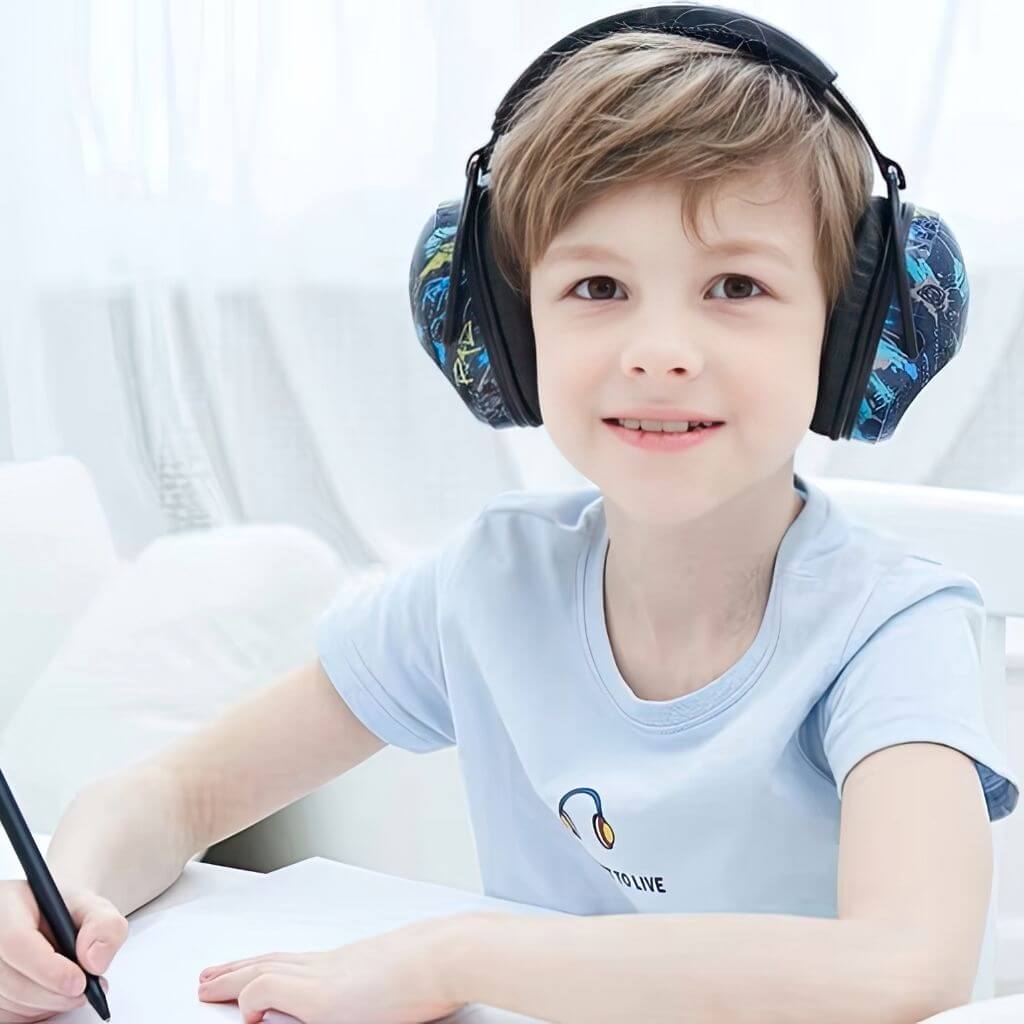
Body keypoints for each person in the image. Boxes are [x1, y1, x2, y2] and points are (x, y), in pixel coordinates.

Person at [1, 8, 1018, 1024]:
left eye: (736, 285)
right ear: (505, 334)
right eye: (597, 286)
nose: (658, 349)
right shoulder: (487, 585)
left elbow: (902, 963)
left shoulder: (892, 631)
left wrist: (464, 958)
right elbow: (185, 791)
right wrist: (64, 892)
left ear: (852, 337)